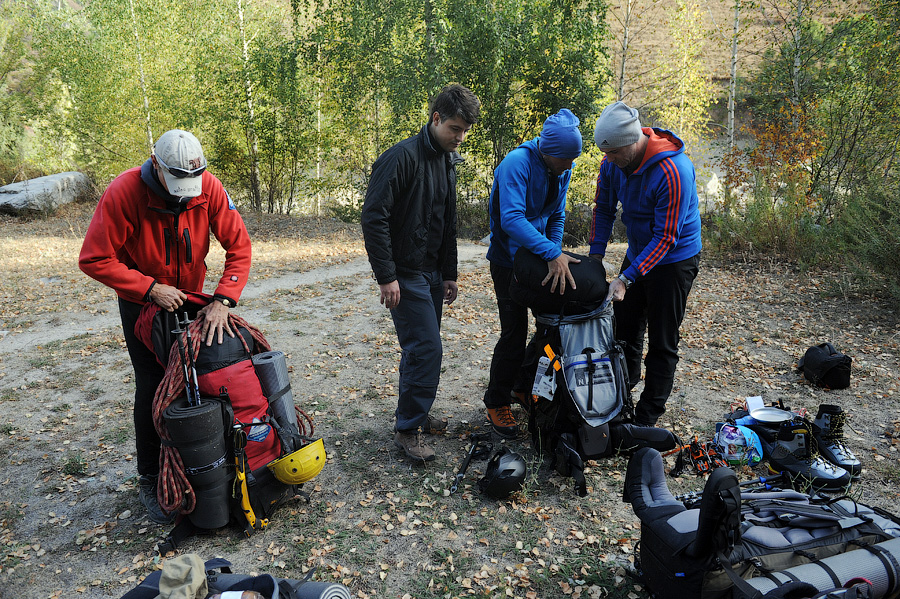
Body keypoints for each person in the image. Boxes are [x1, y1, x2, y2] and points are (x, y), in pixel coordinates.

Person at [79, 129, 251, 523]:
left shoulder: (208, 187)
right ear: (156, 164)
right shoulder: (125, 192)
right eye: (176, 187)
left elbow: (239, 247)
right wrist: (149, 288)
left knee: (198, 378)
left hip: (193, 298)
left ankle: (202, 464)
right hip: (143, 303)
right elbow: (94, 258)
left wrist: (223, 299)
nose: (183, 195)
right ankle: (151, 476)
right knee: (155, 384)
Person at [361, 84, 481, 462]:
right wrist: (386, 276)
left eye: (465, 132)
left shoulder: (446, 161)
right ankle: (407, 430)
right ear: (436, 119)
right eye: (455, 129)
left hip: (431, 274)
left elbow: (448, 223)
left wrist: (450, 273)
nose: (460, 138)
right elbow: (374, 217)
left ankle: (416, 414)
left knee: (422, 350)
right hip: (405, 273)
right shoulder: (400, 158)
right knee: (426, 348)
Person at [589, 101, 701, 426]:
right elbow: (604, 208)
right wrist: (596, 256)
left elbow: (666, 238)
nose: (606, 160)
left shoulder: (673, 171)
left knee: (663, 341)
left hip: (675, 258)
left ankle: (646, 417)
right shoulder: (613, 163)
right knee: (625, 328)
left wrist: (626, 277)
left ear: (631, 143)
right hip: (640, 249)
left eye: (611, 153)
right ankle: (621, 397)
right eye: (605, 153)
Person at [483, 109, 583, 438]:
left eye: (572, 159)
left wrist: (551, 254)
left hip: (539, 258)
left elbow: (557, 215)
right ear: (548, 150)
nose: (569, 166)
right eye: (565, 158)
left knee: (548, 329)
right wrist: (552, 253)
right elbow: (511, 220)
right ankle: (497, 400)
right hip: (508, 261)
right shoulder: (517, 164)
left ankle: (521, 386)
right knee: (513, 332)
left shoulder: (561, 170)